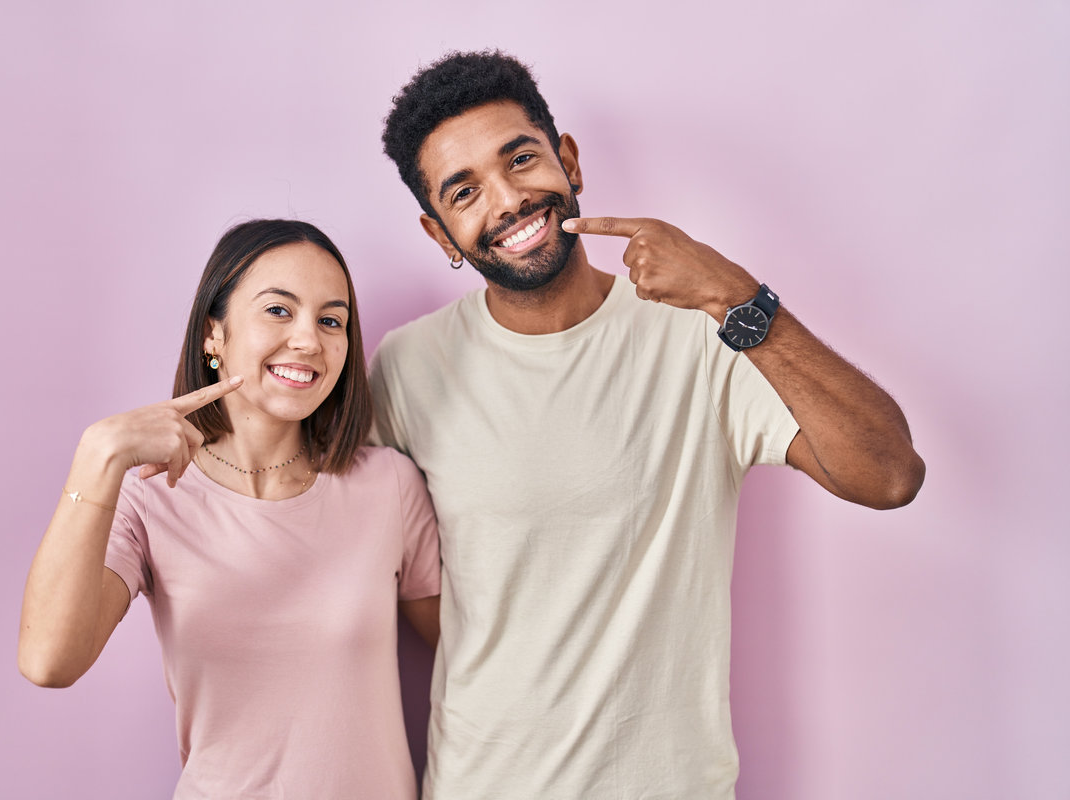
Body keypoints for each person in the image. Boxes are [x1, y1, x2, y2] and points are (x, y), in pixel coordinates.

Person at [370, 51, 925, 799]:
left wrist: (735, 297)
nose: (507, 200)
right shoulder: (408, 367)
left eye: (522, 158)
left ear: (567, 160)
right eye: (464, 191)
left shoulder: (701, 330)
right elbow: (391, 575)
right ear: (440, 234)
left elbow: (889, 474)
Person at [18, 219, 440, 799]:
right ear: (214, 334)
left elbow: (472, 652)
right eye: (278, 311)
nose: (309, 341)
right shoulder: (149, 494)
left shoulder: (388, 485)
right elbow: (48, 661)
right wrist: (96, 457)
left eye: (331, 320)